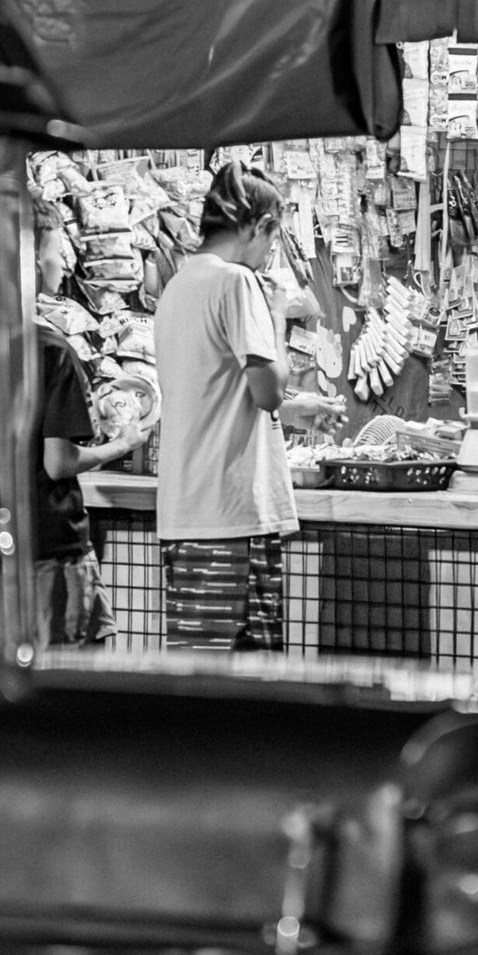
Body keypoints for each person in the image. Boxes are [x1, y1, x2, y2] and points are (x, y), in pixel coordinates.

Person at [153, 160, 341, 653]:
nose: (268, 254)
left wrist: (295, 409)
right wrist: (276, 315)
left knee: (199, 678)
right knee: (244, 685)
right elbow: (268, 391)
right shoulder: (237, 284)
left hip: (189, 515)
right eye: (272, 240)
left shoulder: (178, 286)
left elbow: (218, 390)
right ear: (259, 226)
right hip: (232, 518)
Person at [33, 226, 149, 650]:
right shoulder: (51, 349)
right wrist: (124, 444)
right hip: (53, 546)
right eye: (56, 251)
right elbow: (58, 462)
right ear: (28, 257)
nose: (65, 262)